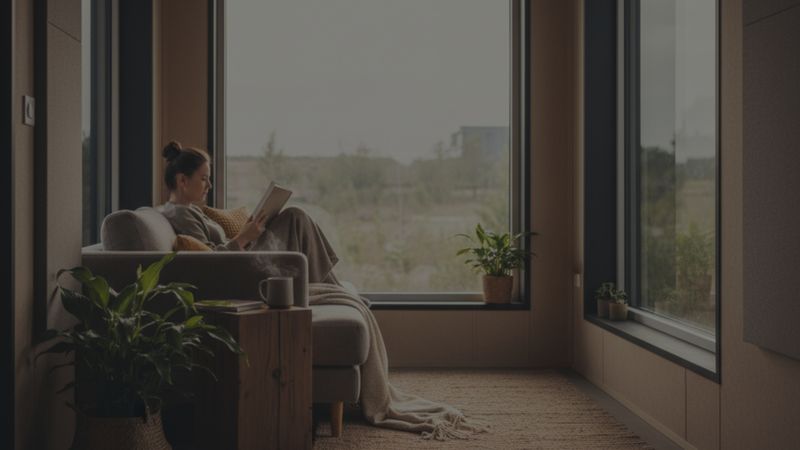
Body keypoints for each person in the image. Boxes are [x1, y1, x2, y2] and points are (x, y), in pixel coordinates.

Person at [159, 140, 339, 284]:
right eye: (204, 179)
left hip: (241, 257)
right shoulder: (180, 215)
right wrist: (244, 237)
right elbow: (208, 262)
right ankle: (334, 288)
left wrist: (249, 232)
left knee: (295, 217)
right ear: (183, 180)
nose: (210, 185)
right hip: (239, 268)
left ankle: (333, 288)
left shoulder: (189, 210)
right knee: (295, 217)